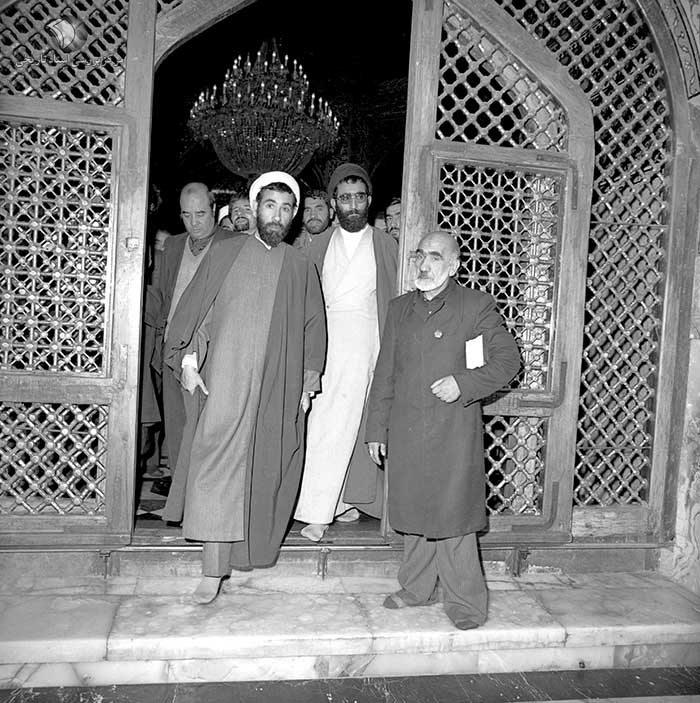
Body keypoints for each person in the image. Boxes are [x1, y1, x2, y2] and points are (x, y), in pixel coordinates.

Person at [162, 171, 326, 604]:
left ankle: (247, 554)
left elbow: (314, 328)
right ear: (255, 208)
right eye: (270, 206)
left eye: (286, 208)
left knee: (265, 469)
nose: (277, 215)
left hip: (277, 385)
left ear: (293, 215)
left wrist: (308, 382)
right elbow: (199, 312)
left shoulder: (300, 266)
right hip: (226, 380)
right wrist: (190, 361)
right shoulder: (225, 252)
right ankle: (212, 570)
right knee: (215, 470)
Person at [365, 230, 520, 630]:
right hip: (406, 428)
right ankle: (417, 589)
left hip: (452, 431)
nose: (424, 264)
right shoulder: (399, 309)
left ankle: (466, 604)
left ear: (453, 265)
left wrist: (463, 384)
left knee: (453, 517)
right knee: (413, 510)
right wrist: (376, 429)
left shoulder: (474, 306)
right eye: (420, 255)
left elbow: (508, 361)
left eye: (435, 257)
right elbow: (385, 373)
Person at [294, 163, 398, 542]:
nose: (352, 205)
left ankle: (329, 508)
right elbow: (304, 301)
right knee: (325, 425)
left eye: (359, 197)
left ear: (369, 200)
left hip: (367, 344)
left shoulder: (386, 245)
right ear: (334, 203)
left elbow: (394, 301)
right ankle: (325, 506)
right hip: (325, 342)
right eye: (344, 198)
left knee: (352, 426)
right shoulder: (318, 245)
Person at [146, 183, 233, 479]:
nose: (194, 222)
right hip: (173, 349)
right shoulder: (172, 246)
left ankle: (206, 491)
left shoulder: (234, 243)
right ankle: (179, 492)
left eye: (200, 214)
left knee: (210, 430)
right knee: (177, 429)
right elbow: (162, 296)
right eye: (187, 215)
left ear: (214, 209)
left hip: (213, 351)